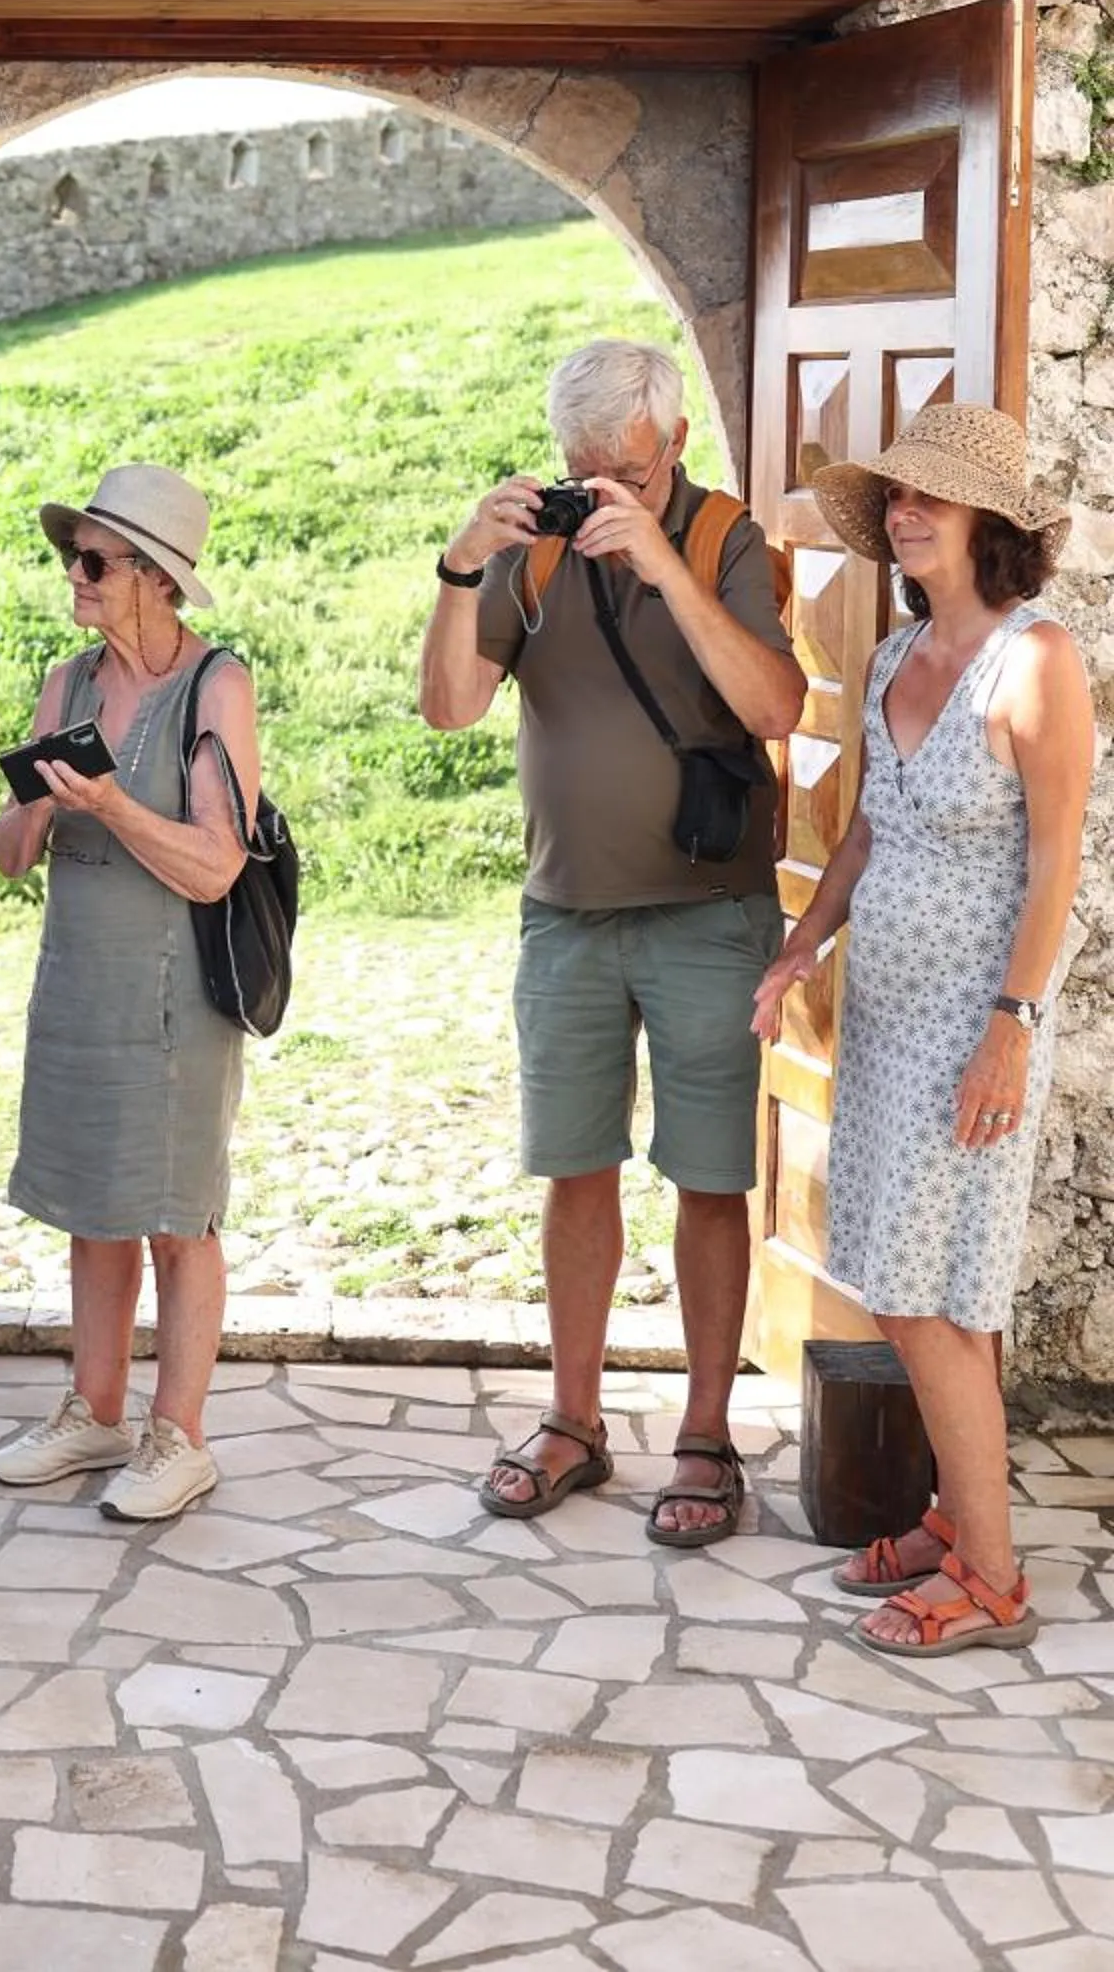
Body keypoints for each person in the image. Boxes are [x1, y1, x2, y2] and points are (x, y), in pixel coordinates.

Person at [420, 339, 805, 1543]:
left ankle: (703, 1436)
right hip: (566, 919)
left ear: (673, 444)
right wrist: (457, 567)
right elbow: (447, 709)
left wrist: (660, 564)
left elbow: (774, 706)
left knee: (707, 1176)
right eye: (586, 473)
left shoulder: (723, 539)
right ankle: (573, 1421)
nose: (604, 495)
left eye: (627, 473)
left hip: (705, 917)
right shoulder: (531, 547)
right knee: (573, 1170)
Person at [753, 405, 1092, 1658]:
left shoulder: (1035, 662)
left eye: (928, 499)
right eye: (894, 497)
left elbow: (1055, 861)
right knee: (936, 1284)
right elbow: (863, 827)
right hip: (888, 1020)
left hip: (974, 1025)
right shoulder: (897, 655)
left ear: (986, 524)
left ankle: (992, 1579)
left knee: (921, 1298)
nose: (903, 514)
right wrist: (804, 942)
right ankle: (958, 1520)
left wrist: (1010, 1026)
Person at [0, 465, 260, 1523]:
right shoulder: (66, 683)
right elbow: (10, 855)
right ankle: (92, 1412)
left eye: (94, 561)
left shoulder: (213, 686)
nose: (76, 576)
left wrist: (111, 805)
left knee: (175, 1219)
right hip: (75, 984)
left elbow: (214, 865)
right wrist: (44, 809)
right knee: (90, 1208)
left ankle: (178, 1436)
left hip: (170, 996)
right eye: (72, 557)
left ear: (155, 576)